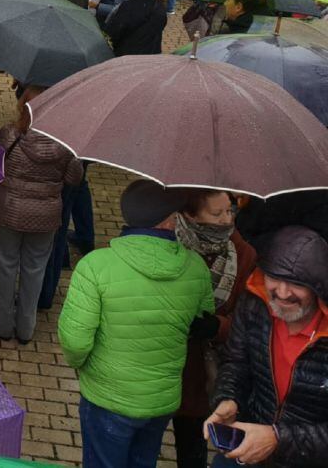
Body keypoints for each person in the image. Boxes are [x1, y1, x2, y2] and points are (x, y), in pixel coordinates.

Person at [59, 179, 215, 468]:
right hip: (161, 401)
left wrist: (83, 366)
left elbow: (75, 342)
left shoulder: (95, 266)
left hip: (107, 398)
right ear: (169, 222)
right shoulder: (196, 268)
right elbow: (201, 320)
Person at [204, 225, 328, 467]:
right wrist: (229, 398)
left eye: (295, 283)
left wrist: (278, 439)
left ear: (318, 285)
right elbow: (236, 362)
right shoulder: (254, 304)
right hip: (249, 447)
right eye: (274, 278)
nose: (282, 293)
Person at [0, 85, 83, 344]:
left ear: (23, 107)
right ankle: (26, 328)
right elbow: (75, 179)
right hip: (46, 217)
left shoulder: (10, 134)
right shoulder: (65, 144)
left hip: (7, 211)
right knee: (35, 269)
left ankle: (1, 325)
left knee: (5, 267)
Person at [172, 190, 257, 468]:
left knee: (192, 445)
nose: (226, 220)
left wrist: (217, 327)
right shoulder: (170, 245)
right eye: (216, 213)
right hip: (164, 363)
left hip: (203, 372)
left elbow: (249, 322)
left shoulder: (243, 253)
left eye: (229, 211)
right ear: (190, 215)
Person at [104, 0, 168, 55]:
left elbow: (114, 32)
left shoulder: (128, 6)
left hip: (129, 56)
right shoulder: (160, 7)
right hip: (152, 55)